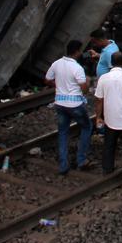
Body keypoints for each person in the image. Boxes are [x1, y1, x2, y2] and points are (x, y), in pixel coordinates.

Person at [45, 40, 93, 175]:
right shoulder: (77, 68)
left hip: (60, 104)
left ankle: (63, 165)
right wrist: (88, 83)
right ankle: (81, 159)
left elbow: (47, 79)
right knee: (86, 127)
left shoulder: (56, 64)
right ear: (77, 51)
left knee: (63, 132)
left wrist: (58, 86)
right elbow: (84, 89)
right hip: (75, 104)